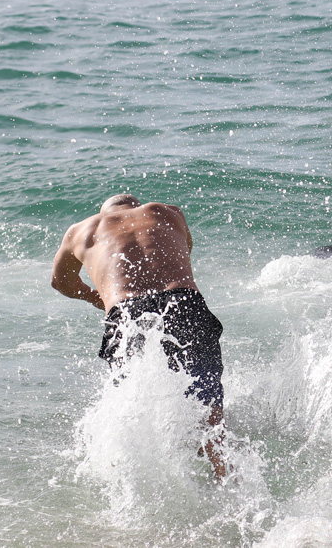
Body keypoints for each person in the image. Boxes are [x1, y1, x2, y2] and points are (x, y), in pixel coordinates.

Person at [51, 194, 228, 479]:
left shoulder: (80, 230)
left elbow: (60, 282)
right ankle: (224, 474)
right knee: (208, 404)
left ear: (104, 213)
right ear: (135, 206)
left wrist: (98, 298)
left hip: (125, 313)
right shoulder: (168, 212)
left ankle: (138, 482)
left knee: (131, 399)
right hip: (182, 303)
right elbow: (184, 251)